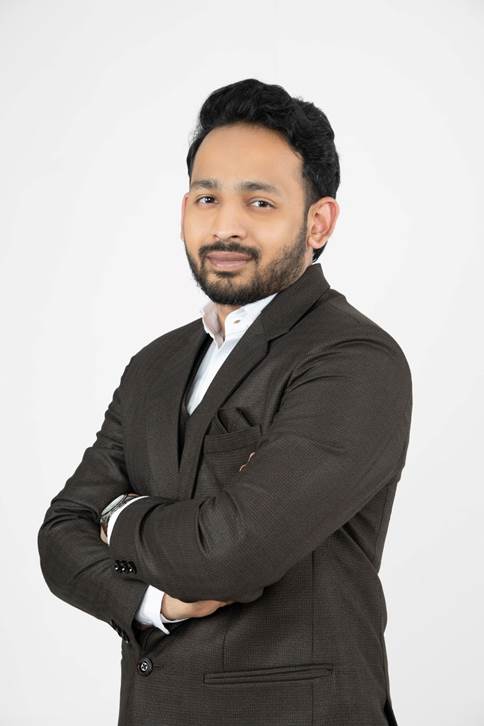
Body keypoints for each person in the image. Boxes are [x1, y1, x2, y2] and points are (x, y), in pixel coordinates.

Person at [38, 77, 411, 726]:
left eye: (260, 202)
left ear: (317, 222)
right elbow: (60, 535)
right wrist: (152, 603)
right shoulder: (154, 365)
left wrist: (118, 513)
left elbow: (229, 554)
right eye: (207, 198)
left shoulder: (353, 360)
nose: (225, 225)